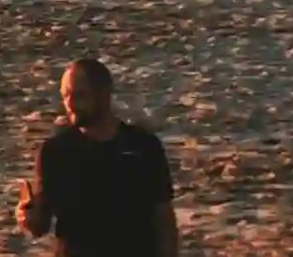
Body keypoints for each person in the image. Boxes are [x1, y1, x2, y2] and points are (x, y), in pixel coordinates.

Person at [16, 58, 178, 256]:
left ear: (104, 95)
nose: (70, 104)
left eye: (80, 96)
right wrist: (28, 216)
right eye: (66, 96)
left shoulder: (143, 146)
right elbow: (41, 224)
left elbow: (164, 220)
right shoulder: (55, 152)